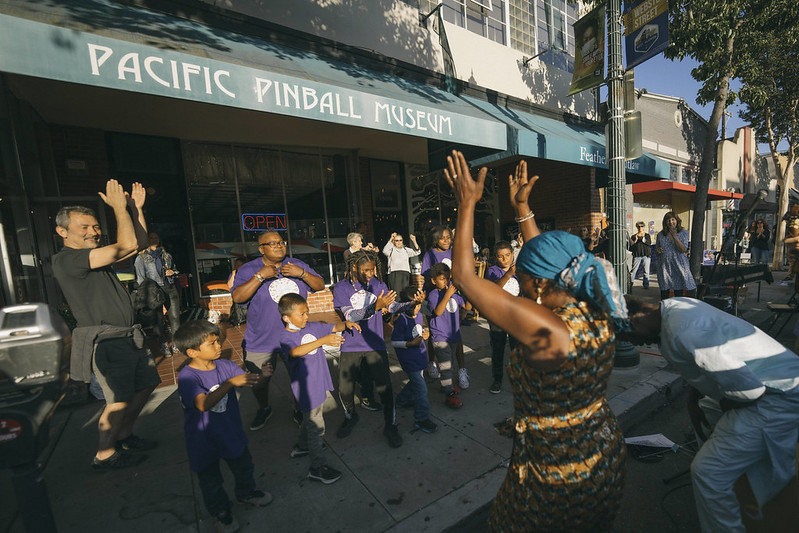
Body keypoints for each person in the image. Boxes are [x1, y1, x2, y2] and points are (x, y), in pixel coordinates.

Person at [445, 152, 627, 532]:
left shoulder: (548, 328)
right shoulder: (594, 303)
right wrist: (523, 210)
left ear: (540, 284)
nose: (519, 287)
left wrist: (466, 205)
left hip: (557, 472)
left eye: (523, 280)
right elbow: (548, 259)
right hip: (601, 449)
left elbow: (462, 276)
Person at [620, 297, 799, 533]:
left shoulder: (686, 331)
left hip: (778, 396)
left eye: (630, 338)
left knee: (708, 472)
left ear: (633, 321)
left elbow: (750, 392)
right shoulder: (674, 306)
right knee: (709, 419)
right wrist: (693, 397)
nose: (638, 343)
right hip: (765, 387)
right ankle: (730, 491)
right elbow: (705, 364)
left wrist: (728, 416)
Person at [52, 180, 160, 470]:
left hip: (128, 338)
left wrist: (136, 210)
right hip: (108, 342)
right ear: (62, 231)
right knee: (117, 401)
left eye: (96, 226)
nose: (93, 232)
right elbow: (125, 244)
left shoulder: (94, 259)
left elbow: (135, 246)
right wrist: (119, 208)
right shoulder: (68, 260)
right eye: (84, 227)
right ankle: (105, 454)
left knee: (145, 385)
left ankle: (123, 435)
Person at [174, 320, 273, 533]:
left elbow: (250, 382)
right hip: (203, 440)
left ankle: (246, 493)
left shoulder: (225, 366)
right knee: (211, 482)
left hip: (230, 432)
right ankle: (221, 513)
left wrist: (263, 377)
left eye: (218, 341)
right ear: (192, 352)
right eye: (212, 343)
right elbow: (202, 404)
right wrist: (230, 383)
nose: (219, 346)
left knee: (244, 466)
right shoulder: (187, 377)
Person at [230, 231, 326, 431]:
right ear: (261, 248)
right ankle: (264, 408)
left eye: (281, 242)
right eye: (272, 243)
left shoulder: (296, 264)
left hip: (295, 338)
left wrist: (302, 273)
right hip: (262, 338)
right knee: (259, 380)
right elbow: (238, 297)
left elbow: (319, 285)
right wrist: (260, 276)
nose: (279, 245)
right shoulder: (250, 269)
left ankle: (300, 409)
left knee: (300, 378)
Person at [332, 250, 424, 448]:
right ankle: (350, 416)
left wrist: (411, 304)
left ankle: (390, 426)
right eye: (365, 270)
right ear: (354, 267)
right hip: (351, 345)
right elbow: (349, 316)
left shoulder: (378, 284)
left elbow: (392, 308)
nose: (369, 274)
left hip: (375, 344)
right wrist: (375, 307)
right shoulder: (341, 288)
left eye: (372, 270)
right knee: (345, 389)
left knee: (385, 387)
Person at [278, 293, 360, 484]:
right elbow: (295, 352)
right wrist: (323, 341)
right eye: (301, 314)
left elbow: (333, 326)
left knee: (310, 419)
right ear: (286, 318)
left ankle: (302, 446)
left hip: (318, 382)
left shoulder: (311, 326)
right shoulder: (285, 336)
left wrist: (346, 324)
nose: (306, 317)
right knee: (317, 427)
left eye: (307, 313)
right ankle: (317, 468)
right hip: (306, 389)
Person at [420, 226, 470, 388]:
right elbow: (428, 278)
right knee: (436, 331)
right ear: (435, 240)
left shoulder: (454, 252)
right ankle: (432, 362)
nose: (447, 240)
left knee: (456, 331)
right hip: (435, 297)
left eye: (449, 237)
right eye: (443, 238)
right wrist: (439, 290)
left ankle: (461, 369)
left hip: (454, 294)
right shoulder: (430, 254)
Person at [390, 286, 437, 433]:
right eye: (413, 306)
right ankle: (421, 419)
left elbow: (422, 328)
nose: (416, 309)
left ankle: (401, 401)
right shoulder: (401, 320)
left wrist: (426, 333)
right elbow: (394, 342)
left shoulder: (420, 315)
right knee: (421, 390)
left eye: (418, 306)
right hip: (409, 360)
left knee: (416, 383)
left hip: (420, 356)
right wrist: (409, 344)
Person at [427, 262, 471, 409]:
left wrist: (466, 290)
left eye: (447, 278)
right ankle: (449, 395)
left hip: (453, 336)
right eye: (442, 279)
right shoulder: (434, 294)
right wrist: (447, 294)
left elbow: (467, 307)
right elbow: (438, 312)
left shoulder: (455, 294)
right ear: (434, 281)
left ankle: (446, 386)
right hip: (440, 338)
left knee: (449, 364)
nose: (446, 282)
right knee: (446, 368)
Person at [134, 232, 181, 356]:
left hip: (170, 288)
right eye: (151, 238)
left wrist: (173, 272)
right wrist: (146, 292)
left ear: (159, 240)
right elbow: (140, 278)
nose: (154, 239)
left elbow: (175, 269)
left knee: (175, 318)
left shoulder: (167, 255)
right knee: (158, 320)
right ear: (147, 240)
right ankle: (163, 344)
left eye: (156, 237)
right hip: (155, 291)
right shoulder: (141, 258)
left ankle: (176, 344)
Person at [485, 241, 518, 394]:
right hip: (498, 315)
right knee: (498, 348)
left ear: (512, 254)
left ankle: (519, 378)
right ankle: (497, 379)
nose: (505, 259)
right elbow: (494, 289)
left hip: (516, 315)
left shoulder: (520, 269)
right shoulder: (493, 270)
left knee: (516, 349)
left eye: (507, 255)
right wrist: (509, 274)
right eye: (500, 256)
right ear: (495, 258)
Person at [656, 211, 697, 300]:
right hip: (665, 267)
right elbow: (657, 250)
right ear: (665, 222)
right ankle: (665, 311)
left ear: (677, 220)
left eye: (672, 219)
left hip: (678, 265)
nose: (671, 222)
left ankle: (678, 312)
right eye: (668, 220)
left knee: (678, 294)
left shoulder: (684, 232)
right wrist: (658, 251)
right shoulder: (660, 234)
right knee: (664, 293)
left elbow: (683, 249)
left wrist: (675, 236)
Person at [629, 221, 652, 289]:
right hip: (637, 255)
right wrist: (635, 240)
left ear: (644, 227)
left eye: (641, 226)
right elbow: (631, 247)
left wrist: (643, 239)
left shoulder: (647, 235)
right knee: (633, 271)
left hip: (646, 255)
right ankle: (630, 284)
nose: (640, 228)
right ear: (636, 227)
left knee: (646, 271)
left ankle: (646, 285)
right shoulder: (633, 236)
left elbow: (649, 243)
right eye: (638, 226)